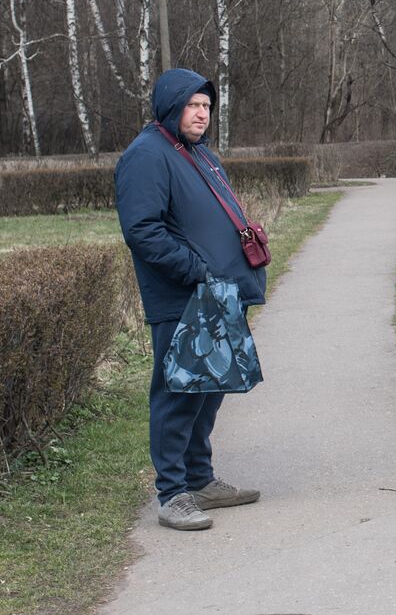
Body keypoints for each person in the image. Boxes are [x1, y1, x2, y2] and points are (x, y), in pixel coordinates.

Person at [115, 68, 264, 531]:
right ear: (170, 105)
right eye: (193, 105)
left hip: (218, 295)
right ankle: (172, 493)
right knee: (178, 391)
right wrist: (197, 271)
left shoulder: (197, 152)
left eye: (206, 106)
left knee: (209, 389)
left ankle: (199, 478)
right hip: (183, 296)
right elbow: (143, 231)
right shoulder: (146, 155)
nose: (202, 114)